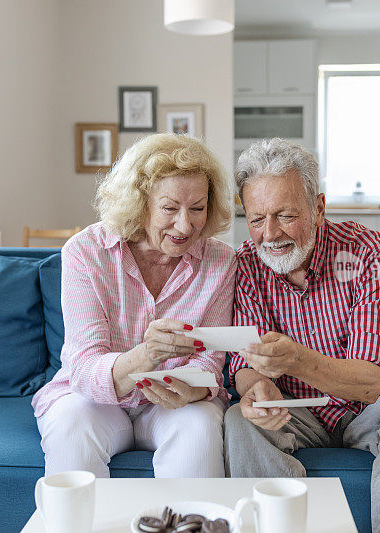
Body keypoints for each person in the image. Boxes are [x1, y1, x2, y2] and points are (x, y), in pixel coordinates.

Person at [224, 138, 380, 533]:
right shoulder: (245, 264)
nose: (270, 233)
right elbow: (243, 364)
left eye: (284, 215)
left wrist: (295, 359)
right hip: (297, 410)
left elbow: (368, 382)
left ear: (318, 208)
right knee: (240, 420)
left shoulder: (365, 250)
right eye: (257, 218)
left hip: (374, 407)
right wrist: (257, 389)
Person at [33, 133, 236, 478]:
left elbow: (210, 360)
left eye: (197, 209)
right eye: (170, 208)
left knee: (199, 426)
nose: (185, 225)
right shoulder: (85, 252)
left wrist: (193, 387)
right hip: (94, 399)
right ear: (140, 203)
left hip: (174, 404)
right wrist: (148, 355)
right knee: (71, 425)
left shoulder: (220, 260)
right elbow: (84, 367)